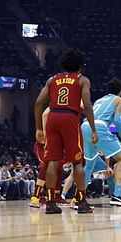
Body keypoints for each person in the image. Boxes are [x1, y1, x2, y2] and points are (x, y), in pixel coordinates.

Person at [34, 48, 97, 214]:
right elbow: (88, 106)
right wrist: (93, 128)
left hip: (53, 117)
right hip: (69, 118)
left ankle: (50, 202)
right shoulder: (82, 80)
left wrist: (39, 127)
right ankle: (82, 202)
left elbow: (39, 103)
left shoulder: (52, 79)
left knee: (52, 161)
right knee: (77, 162)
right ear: (80, 66)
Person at [81, 78, 121, 208]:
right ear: (120, 92)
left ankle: (79, 198)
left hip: (85, 126)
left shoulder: (99, 100)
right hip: (99, 127)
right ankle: (117, 196)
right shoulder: (120, 100)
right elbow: (117, 120)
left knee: (89, 165)